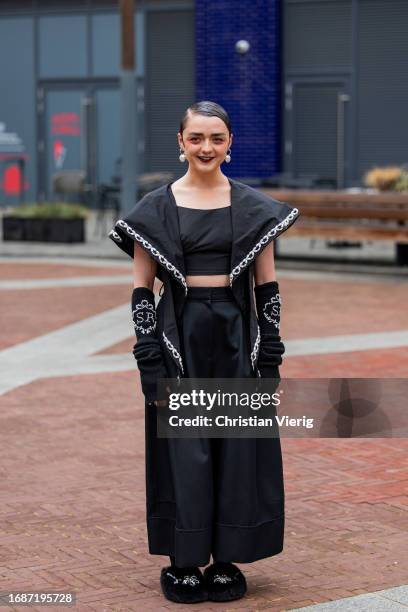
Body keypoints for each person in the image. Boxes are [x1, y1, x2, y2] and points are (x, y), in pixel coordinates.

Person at [109, 101, 300, 604]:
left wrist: (271, 355)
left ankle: (228, 559)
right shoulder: (154, 210)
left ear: (230, 143)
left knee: (237, 448)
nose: (206, 148)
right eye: (196, 138)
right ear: (180, 142)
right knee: (185, 449)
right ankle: (184, 559)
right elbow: (141, 292)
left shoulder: (256, 208)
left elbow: (268, 288)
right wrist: (148, 359)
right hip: (180, 337)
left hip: (237, 335)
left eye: (216, 138)